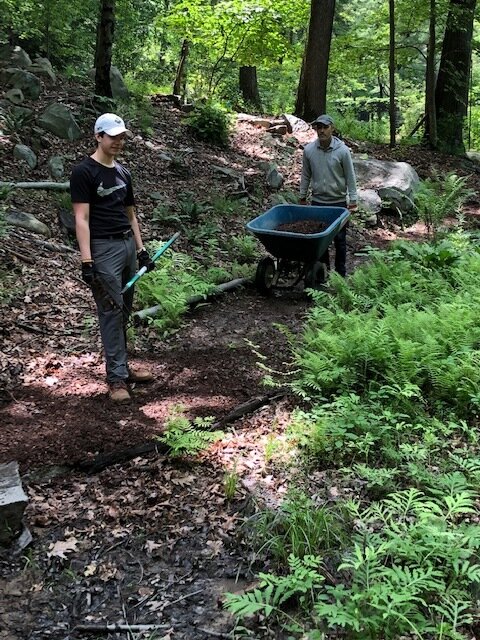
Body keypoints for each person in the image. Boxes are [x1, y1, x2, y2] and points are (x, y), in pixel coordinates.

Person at [70, 113, 155, 403]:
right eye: (112, 136)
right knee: (110, 311)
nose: (118, 142)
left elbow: (131, 214)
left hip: (127, 246)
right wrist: (87, 261)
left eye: (121, 137)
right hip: (103, 249)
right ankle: (116, 379)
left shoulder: (123, 173)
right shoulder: (84, 172)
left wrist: (141, 250)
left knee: (124, 310)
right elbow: (81, 219)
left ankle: (122, 367)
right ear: (98, 137)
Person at [299, 114, 357, 277]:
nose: (322, 131)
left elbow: (350, 176)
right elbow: (305, 175)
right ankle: (323, 273)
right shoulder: (309, 150)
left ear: (332, 128)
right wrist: (302, 196)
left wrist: (353, 200)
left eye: (325, 127)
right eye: (319, 127)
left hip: (338, 203)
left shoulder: (343, 151)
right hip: (318, 202)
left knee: (340, 241)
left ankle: (340, 275)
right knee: (320, 242)